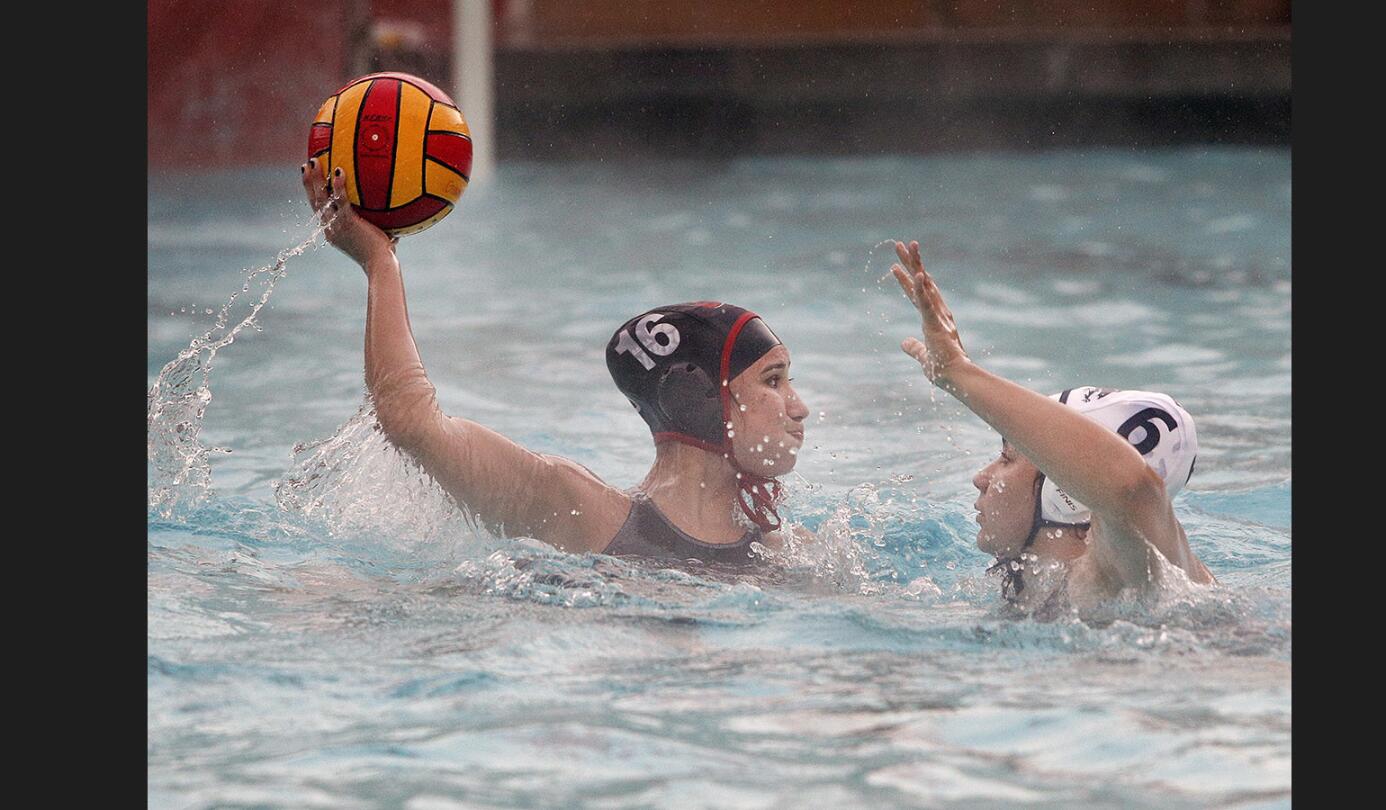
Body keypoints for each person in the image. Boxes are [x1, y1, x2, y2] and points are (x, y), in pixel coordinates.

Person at [300, 161, 809, 563]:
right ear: (692, 395)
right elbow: (412, 423)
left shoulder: (788, 551)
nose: (800, 407)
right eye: (773, 380)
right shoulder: (579, 510)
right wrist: (378, 262)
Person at [889, 240, 1215, 615]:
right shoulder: (1032, 582)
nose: (981, 477)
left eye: (1007, 458)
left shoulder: (1128, 576)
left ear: (1067, 492)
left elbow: (1130, 487)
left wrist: (959, 374)